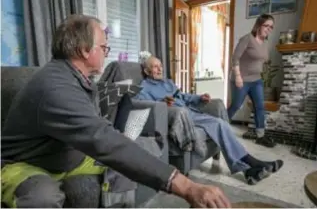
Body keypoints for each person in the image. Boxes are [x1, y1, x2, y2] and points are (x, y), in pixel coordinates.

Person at [1, 14, 232, 208]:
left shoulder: (79, 79)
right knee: (43, 196)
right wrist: (186, 186)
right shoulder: (55, 87)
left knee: (138, 149)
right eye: (103, 47)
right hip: (23, 164)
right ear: (84, 50)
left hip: (68, 154)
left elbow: (96, 126)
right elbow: (102, 140)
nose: (106, 52)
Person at [134, 54, 284, 186]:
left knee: (220, 123)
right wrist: (161, 103)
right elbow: (143, 106)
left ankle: (249, 170)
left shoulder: (168, 82)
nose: (160, 69)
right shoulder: (144, 88)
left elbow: (184, 96)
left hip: (191, 112)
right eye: (155, 67)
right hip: (178, 117)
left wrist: (199, 97)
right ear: (147, 71)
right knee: (219, 124)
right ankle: (253, 164)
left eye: (160, 66)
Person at [227, 14, 275, 148]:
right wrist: (237, 76)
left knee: (260, 107)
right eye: (266, 26)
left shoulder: (265, 43)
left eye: (271, 27)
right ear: (259, 25)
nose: (269, 29)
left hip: (256, 80)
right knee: (236, 106)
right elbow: (235, 58)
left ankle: (261, 136)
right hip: (241, 79)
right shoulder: (247, 39)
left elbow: (263, 60)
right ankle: (220, 127)